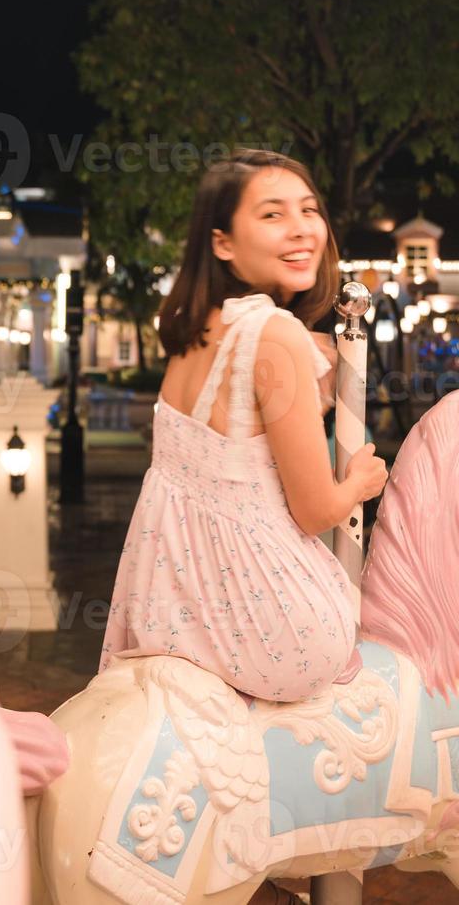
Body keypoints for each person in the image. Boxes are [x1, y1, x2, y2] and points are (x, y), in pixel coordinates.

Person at [99, 148, 388, 702]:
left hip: (166, 608)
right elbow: (315, 511)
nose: (301, 229)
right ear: (223, 243)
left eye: (308, 210)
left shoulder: (196, 330)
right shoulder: (274, 334)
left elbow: (238, 440)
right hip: (269, 622)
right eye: (273, 214)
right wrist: (358, 484)